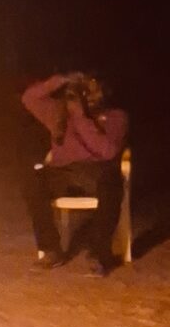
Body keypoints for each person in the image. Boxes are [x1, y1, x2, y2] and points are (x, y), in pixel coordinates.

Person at [22, 71, 129, 272]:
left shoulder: (116, 117)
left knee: (111, 183)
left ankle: (98, 254)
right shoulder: (59, 112)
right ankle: (51, 250)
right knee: (34, 182)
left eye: (92, 89)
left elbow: (108, 151)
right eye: (83, 89)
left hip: (96, 171)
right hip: (63, 171)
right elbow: (29, 98)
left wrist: (81, 117)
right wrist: (60, 80)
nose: (87, 94)